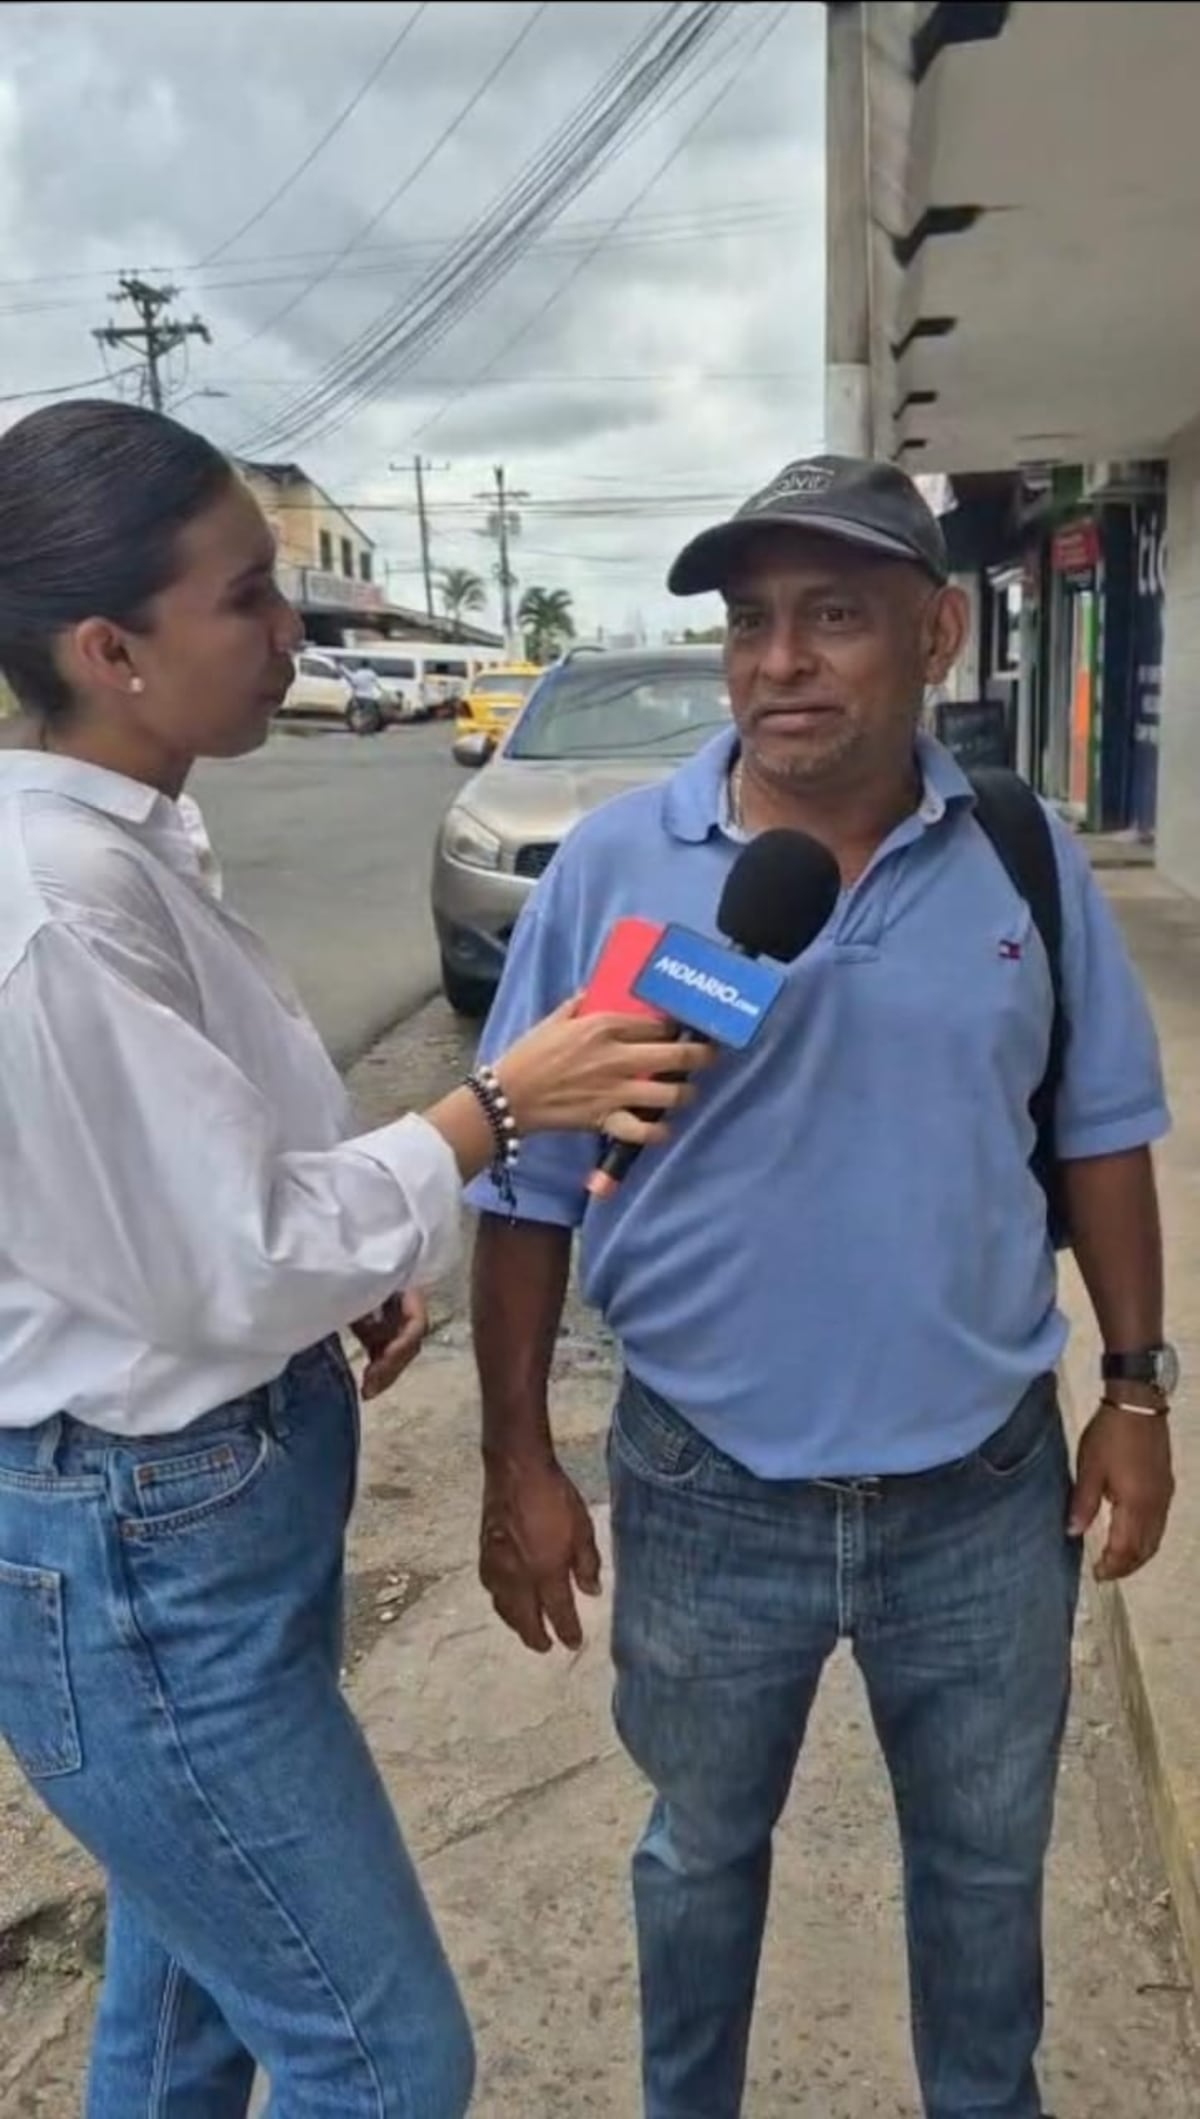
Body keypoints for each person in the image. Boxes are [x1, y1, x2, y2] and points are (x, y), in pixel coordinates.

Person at [0, 399, 709, 2119]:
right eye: (247, 597)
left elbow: (194, 1200)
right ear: (112, 649)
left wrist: (345, 1263)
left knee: (191, 2023)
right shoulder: (54, 906)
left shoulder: (131, 844)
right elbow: (220, 1262)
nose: (292, 631)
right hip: (143, 1554)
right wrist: (489, 1107)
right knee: (380, 2056)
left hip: (201, 1502)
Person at [468, 455, 1176, 2119]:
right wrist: (518, 1456)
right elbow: (523, 1189)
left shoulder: (1024, 855)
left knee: (989, 1876)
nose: (778, 661)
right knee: (699, 1858)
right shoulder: (617, 867)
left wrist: (1135, 1395)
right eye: (751, 622)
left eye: (834, 618)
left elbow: (1104, 1137)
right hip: (707, 1485)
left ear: (937, 634)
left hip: (984, 1492)